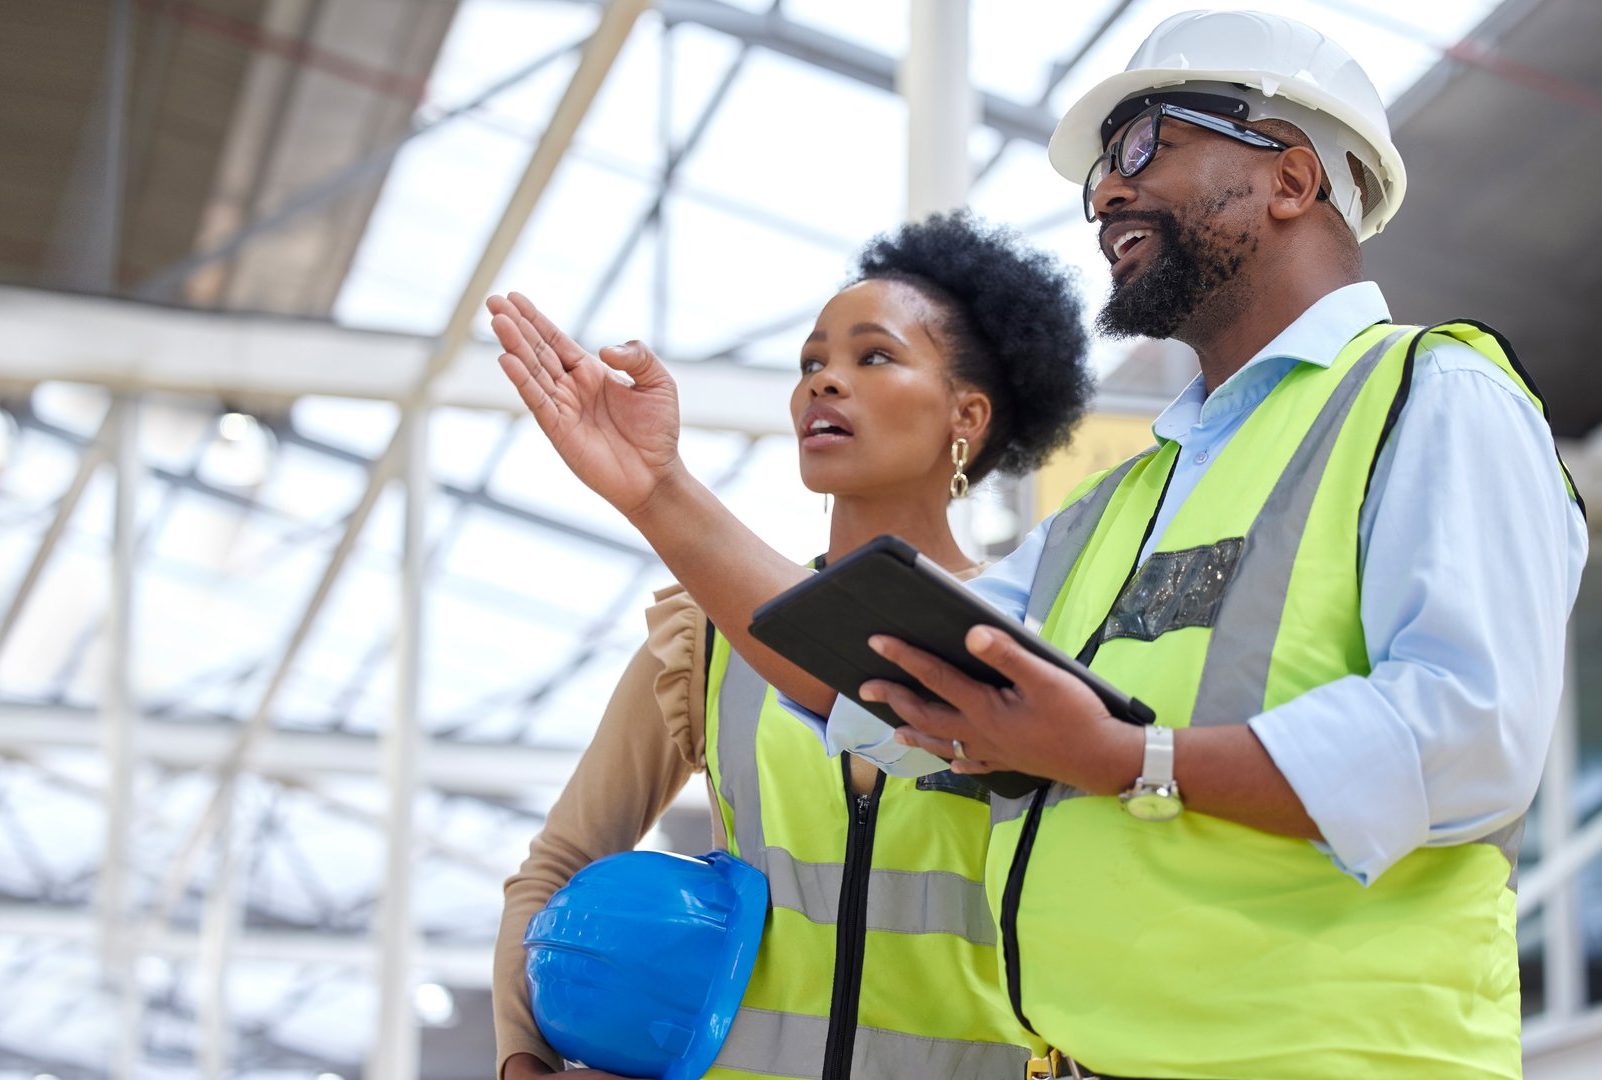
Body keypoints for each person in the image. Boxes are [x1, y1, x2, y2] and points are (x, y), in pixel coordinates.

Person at [492, 10, 1588, 1079]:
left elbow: (1465, 743)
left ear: (1291, 178)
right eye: (1102, 165)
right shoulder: (1120, 507)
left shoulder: (1434, 395)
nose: (1106, 188)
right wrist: (658, 492)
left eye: (1147, 143)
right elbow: (886, 676)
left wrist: (1127, 759)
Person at [491, 212, 1092, 1080]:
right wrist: (522, 1057)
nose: (824, 383)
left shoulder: (1036, 640)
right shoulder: (707, 636)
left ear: (965, 414)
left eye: (872, 357)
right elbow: (561, 861)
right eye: (811, 363)